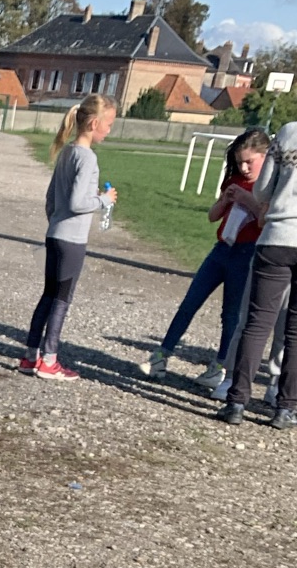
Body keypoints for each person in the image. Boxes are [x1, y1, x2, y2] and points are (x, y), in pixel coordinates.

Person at [141, 128, 270, 387]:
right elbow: (213, 216)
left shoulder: (266, 188)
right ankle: (162, 355)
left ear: (265, 156)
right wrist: (224, 201)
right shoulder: (234, 180)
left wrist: (249, 200)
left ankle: (219, 366)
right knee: (190, 302)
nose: (243, 168)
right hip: (221, 250)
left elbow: (265, 221)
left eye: (249, 161)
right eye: (239, 162)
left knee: (230, 314)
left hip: (246, 254)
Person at [20, 92, 117, 381]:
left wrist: (56, 223)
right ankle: (49, 360)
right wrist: (103, 200)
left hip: (55, 236)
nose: (109, 130)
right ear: (94, 123)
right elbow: (77, 202)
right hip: (72, 241)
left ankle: (30, 356)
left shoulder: (67, 153)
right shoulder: (87, 158)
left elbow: (51, 199)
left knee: (48, 295)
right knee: (62, 299)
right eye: (109, 124)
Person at [222, 120, 297, 430]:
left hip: (277, 237)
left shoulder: (288, 132)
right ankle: (285, 408)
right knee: (294, 331)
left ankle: (237, 401)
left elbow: (263, 188)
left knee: (256, 323)